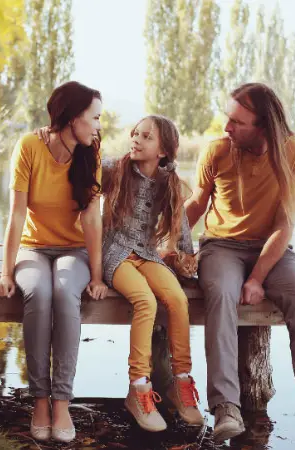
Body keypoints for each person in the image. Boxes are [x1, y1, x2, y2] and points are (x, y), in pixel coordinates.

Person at [184, 82, 295, 445]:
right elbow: (196, 206)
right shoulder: (217, 151)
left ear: (263, 124)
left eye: (237, 122)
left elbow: (285, 225)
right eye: (227, 119)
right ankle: (226, 407)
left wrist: (258, 278)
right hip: (222, 246)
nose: (226, 128)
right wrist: (163, 245)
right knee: (221, 293)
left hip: (275, 249)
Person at [0, 81, 108, 443]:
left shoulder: (92, 152)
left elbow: (92, 220)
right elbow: (15, 214)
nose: (98, 126)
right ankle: (39, 401)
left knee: (63, 292)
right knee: (38, 294)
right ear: (73, 118)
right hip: (34, 248)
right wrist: (5, 272)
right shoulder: (28, 146)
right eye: (95, 118)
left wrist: (98, 275)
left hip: (74, 251)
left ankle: (61, 402)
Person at [101, 115, 203, 432]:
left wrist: (186, 258)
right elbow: (82, 167)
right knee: (146, 301)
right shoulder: (114, 169)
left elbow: (181, 224)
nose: (136, 139)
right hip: (115, 254)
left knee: (176, 299)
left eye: (146, 136)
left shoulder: (167, 181)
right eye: (135, 134)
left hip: (147, 253)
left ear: (163, 150)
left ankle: (180, 384)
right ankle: (139, 388)